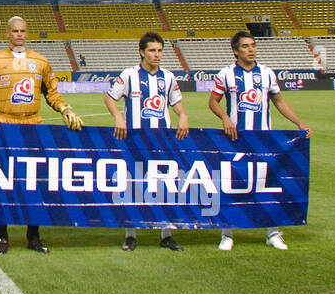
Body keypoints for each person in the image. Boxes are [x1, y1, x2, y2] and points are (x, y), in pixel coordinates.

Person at [0, 16, 82, 254]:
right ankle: (2, 236)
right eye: (15, 31)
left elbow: (53, 93)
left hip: (34, 125)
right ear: (7, 33)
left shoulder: (41, 61)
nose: (19, 34)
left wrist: (65, 109)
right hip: (4, 125)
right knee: (2, 182)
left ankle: (34, 236)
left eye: (23, 31)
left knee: (35, 183)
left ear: (26, 33)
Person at [208, 31, 312, 251]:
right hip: (236, 139)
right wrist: (225, 117)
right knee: (232, 184)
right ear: (235, 50)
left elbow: (279, 102)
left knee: (269, 184)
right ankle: (227, 233)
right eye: (245, 46)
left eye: (253, 45)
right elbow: (213, 102)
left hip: (265, 139)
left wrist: (299, 124)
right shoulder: (226, 74)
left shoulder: (267, 73)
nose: (251, 49)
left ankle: (272, 233)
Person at [104, 31, 190, 252]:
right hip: (134, 140)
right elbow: (110, 97)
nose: (157, 54)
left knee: (166, 185)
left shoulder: (168, 77)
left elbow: (176, 103)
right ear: (142, 52)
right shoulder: (130, 75)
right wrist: (118, 116)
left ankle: (166, 234)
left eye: (160, 50)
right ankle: (131, 234)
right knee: (133, 186)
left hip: (163, 140)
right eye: (152, 50)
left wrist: (182, 115)